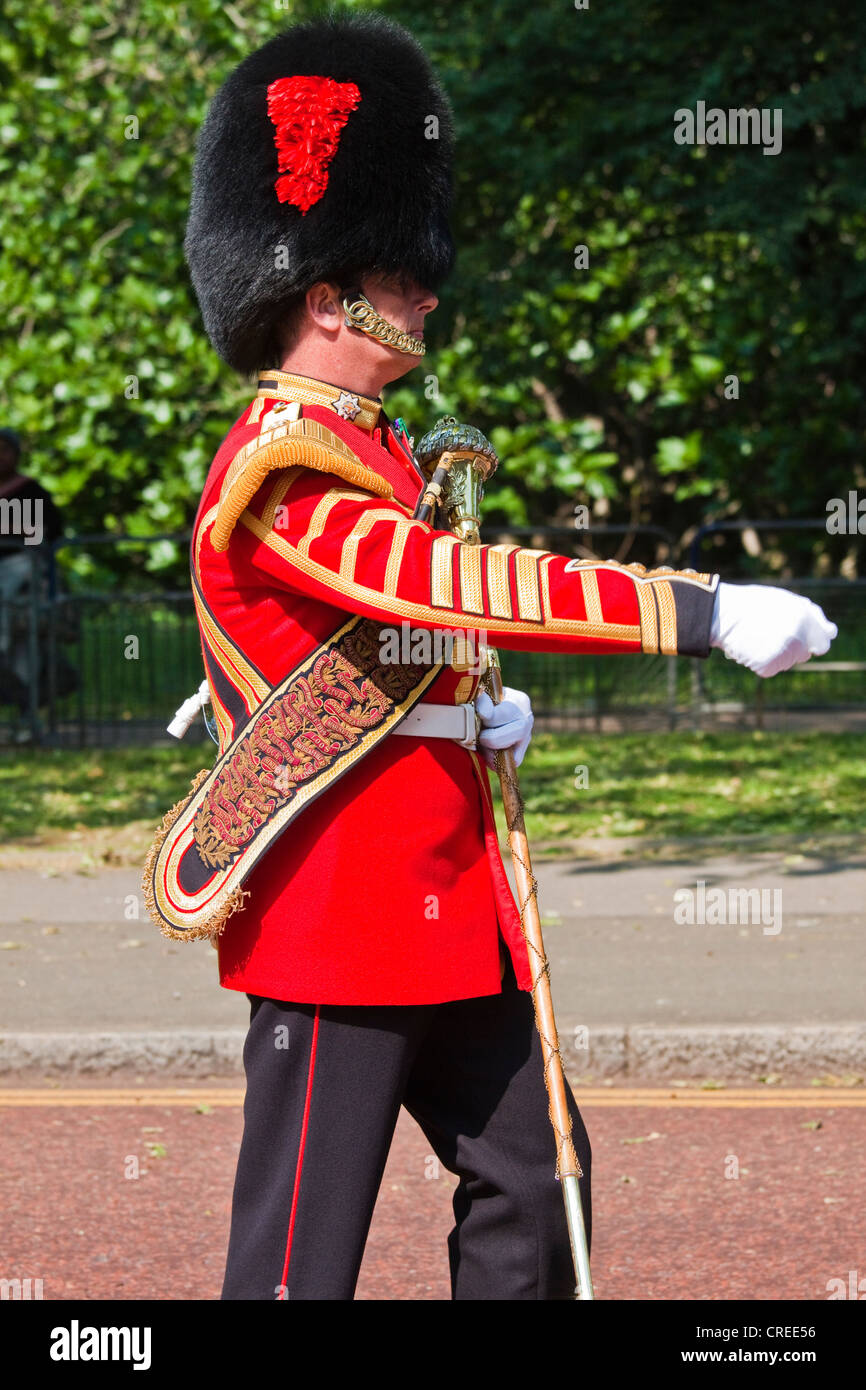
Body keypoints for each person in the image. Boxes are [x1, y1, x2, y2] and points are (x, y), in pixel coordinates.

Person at [145, 11, 836, 1300]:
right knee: (299, 1253)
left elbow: (413, 629)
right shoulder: (280, 463)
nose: (424, 293)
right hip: (336, 914)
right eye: (398, 275)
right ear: (322, 289)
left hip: (453, 906)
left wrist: (469, 715)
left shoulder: (384, 448)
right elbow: (441, 584)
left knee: (542, 1182)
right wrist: (700, 608)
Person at [0, 427, 63, 716]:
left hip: (23, 583)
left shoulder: (31, 491)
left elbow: (54, 536)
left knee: (24, 648)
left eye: (4, 450)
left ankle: (28, 716)